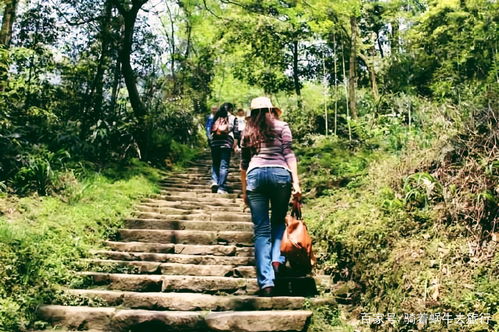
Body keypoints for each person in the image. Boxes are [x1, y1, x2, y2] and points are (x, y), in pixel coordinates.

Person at [240, 96, 301, 297]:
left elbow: (243, 164)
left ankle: (266, 283)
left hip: (255, 177)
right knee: (277, 223)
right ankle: (276, 261)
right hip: (280, 175)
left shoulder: (247, 131)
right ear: (270, 110)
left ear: (253, 113)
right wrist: (296, 184)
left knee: (261, 231)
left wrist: (244, 193)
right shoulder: (282, 126)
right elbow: (289, 154)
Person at [210, 103, 239, 194]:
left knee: (215, 163)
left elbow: (211, 130)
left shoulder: (216, 116)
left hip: (215, 142)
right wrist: (235, 145)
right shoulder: (234, 118)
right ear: (231, 109)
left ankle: (215, 181)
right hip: (226, 143)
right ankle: (221, 187)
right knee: (224, 165)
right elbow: (236, 133)